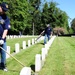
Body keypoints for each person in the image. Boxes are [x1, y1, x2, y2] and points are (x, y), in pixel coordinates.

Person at [0, 2, 10, 71]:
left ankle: (2, 66)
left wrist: (2, 39)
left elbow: (6, 29)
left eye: (5, 10)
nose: (4, 11)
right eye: (3, 10)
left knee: (3, 54)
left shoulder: (6, 18)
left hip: (2, 39)